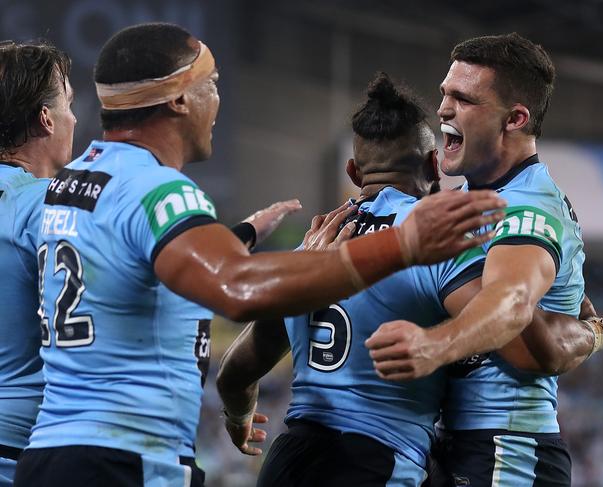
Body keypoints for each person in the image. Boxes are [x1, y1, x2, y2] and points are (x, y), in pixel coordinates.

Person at [13, 23, 506, 487]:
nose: (218, 101)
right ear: (182, 99)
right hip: (125, 459)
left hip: (53, 450)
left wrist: (255, 239)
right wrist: (402, 246)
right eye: (213, 84)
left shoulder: (70, 184)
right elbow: (239, 288)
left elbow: (156, 266)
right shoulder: (160, 190)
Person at [216, 73, 603, 487]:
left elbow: (234, 374)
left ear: (353, 171)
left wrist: (239, 418)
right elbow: (522, 342)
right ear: (432, 165)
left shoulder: (315, 249)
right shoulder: (429, 246)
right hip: (374, 463)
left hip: (287, 461)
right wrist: (590, 330)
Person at [366, 33, 603, 486]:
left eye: (463, 98)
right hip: (456, 441)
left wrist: (435, 346)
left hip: (504, 447)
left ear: (515, 119)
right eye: (444, 93)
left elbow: (511, 303)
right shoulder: (477, 199)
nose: (443, 109)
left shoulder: (527, 207)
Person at [0, 40, 76, 486]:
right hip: (24, 450)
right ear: (46, 119)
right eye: (68, 102)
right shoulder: (50, 204)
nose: (74, 117)